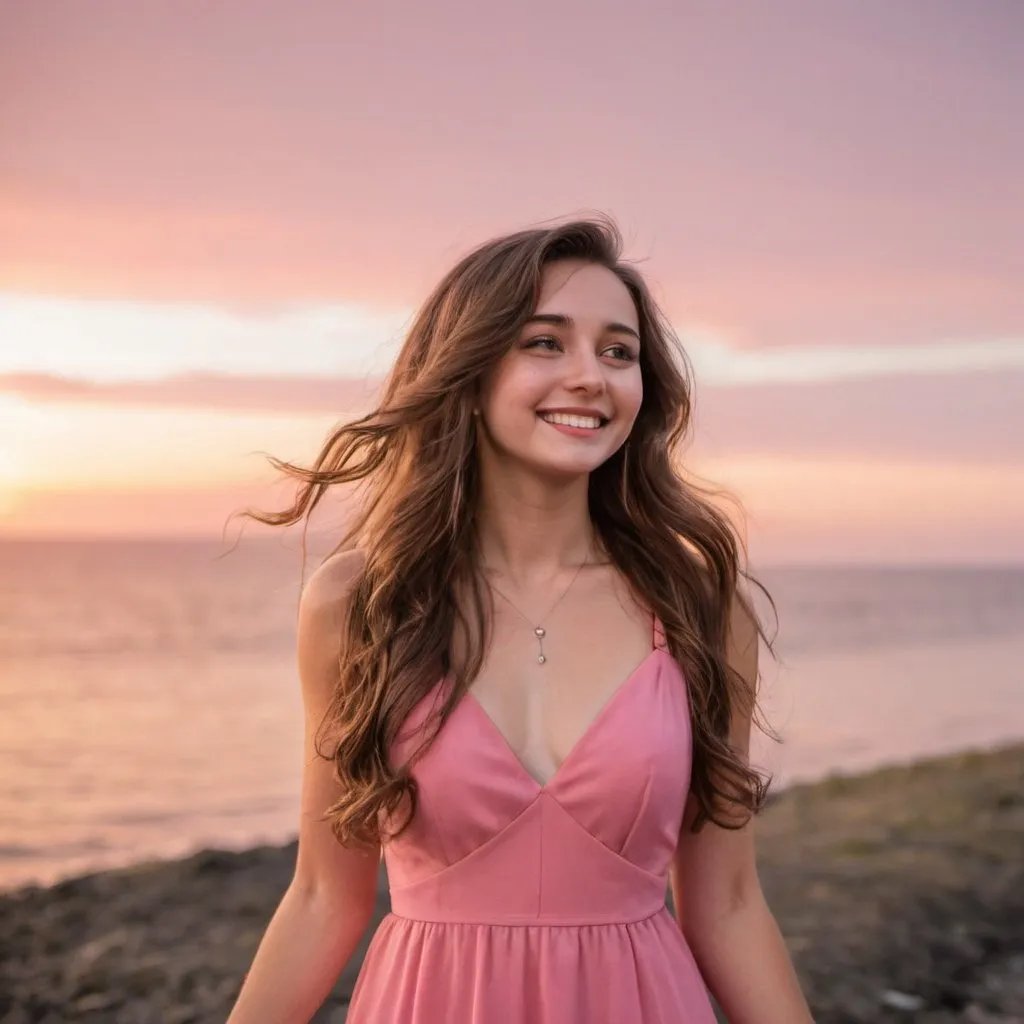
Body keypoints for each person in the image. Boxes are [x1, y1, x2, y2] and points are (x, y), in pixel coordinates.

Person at [226, 215, 815, 1023]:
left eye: (618, 351)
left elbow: (730, 904)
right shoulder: (361, 604)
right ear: (466, 370)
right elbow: (325, 896)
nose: (591, 376)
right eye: (545, 342)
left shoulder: (699, 610)